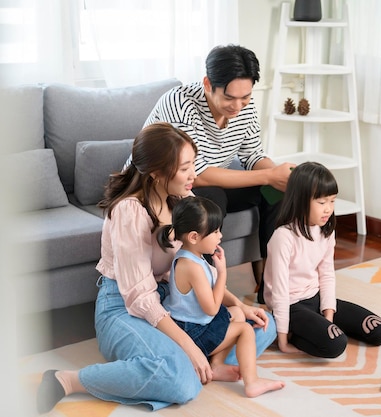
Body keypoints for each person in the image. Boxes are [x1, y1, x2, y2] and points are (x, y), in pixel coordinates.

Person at [36, 122, 277, 414]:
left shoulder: (183, 200)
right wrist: (188, 345)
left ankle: (196, 365)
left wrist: (238, 304)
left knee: (263, 325)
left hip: (175, 303)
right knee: (182, 383)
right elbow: (139, 297)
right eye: (185, 168)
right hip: (125, 308)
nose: (194, 175)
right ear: (157, 173)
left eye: (193, 164)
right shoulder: (129, 211)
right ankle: (71, 381)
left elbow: (199, 271)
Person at [140, 44, 296, 296]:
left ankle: (271, 281)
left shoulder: (244, 107)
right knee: (212, 196)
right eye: (229, 97)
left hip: (203, 183)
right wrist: (268, 175)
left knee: (276, 190)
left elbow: (253, 155)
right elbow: (196, 176)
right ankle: (206, 285)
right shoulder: (180, 102)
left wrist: (283, 176)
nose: (238, 106)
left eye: (245, 97)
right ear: (207, 84)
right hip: (165, 188)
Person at [156, 196, 285, 397]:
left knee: (237, 313)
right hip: (191, 331)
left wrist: (241, 307)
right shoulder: (191, 267)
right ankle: (252, 383)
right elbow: (212, 309)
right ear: (194, 237)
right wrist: (222, 272)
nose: (220, 236)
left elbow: (212, 299)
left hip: (194, 322)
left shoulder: (191, 256)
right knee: (245, 331)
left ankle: (217, 365)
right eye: (215, 232)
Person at [263, 162, 381, 358]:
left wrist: (328, 315)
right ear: (301, 200)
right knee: (336, 345)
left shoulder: (325, 231)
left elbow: (327, 275)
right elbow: (279, 290)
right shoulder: (283, 237)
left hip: (316, 297)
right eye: (322, 203)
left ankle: (320, 327)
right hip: (291, 305)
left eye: (332, 201)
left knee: (379, 330)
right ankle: (295, 331)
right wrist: (282, 340)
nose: (328, 209)